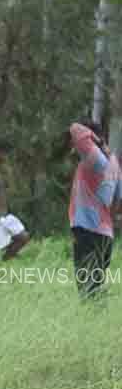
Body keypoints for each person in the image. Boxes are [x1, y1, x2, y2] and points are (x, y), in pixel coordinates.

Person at [67, 120, 122, 298]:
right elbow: (118, 202)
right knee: (96, 285)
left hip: (87, 230)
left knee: (87, 289)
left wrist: (98, 141)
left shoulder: (94, 158)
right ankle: (97, 320)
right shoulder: (114, 165)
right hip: (105, 234)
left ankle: (88, 321)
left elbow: (75, 128)